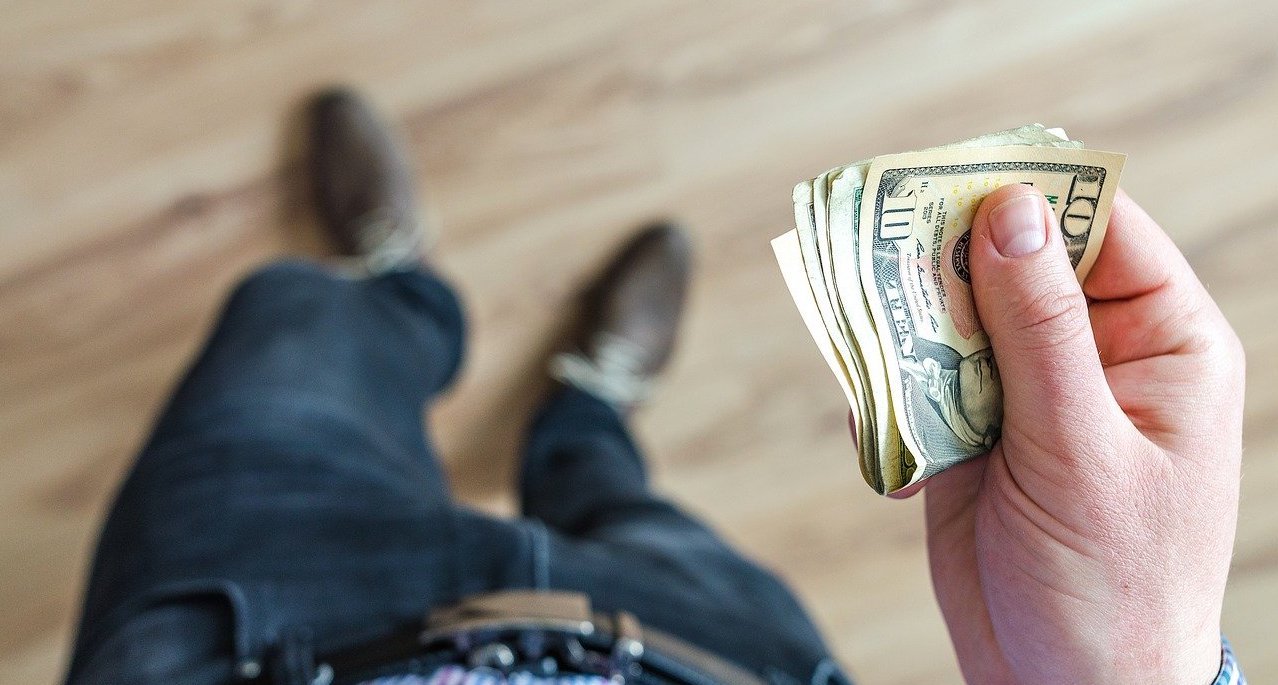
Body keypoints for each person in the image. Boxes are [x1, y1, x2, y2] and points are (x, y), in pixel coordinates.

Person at [62, 88, 1246, 685]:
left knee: (288, 321)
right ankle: (582, 407)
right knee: (620, 499)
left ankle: (397, 291)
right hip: (709, 653)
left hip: (247, 640)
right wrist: (1144, 668)